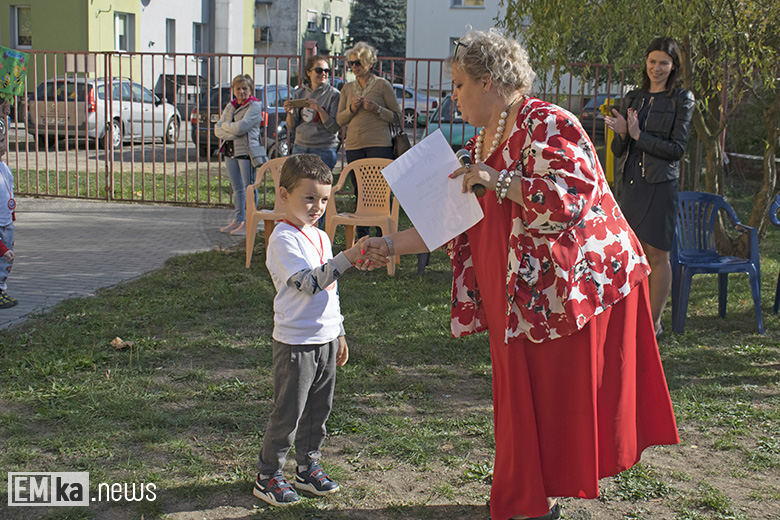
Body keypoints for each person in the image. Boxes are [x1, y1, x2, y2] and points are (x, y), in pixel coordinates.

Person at [359, 29, 680, 520]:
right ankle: (527, 497)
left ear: (489, 82)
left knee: (547, 402)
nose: (454, 96)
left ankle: (526, 501)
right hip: (512, 293)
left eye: (460, 85)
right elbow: (450, 218)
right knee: (520, 403)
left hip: (561, 293)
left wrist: (500, 180)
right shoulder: (480, 139)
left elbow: (571, 199)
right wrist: (389, 245)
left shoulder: (550, 122)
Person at [253, 154, 369, 507]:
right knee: (289, 412)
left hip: (325, 340)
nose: (317, 206)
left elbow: (331, 292)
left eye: (323, 199)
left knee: (318, 410)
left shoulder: (319, 236)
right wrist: (348, 258)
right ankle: (268, 474)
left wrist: (339, 331)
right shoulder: (282, 240)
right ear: (284, 195)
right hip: (296, 343)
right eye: (309, 198)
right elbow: (308, 283)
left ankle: (307, 467)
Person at [605, 37, 695, 339]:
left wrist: (639, 136)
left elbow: (677, 149)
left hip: (660, 185)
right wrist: (622, 134)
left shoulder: (683, 99)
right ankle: (630, 318)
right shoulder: (634, 98)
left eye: (664, 63)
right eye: (652, 61)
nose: (657, 68)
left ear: (674, 66)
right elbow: (621, 150)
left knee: (658, 255)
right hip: (630, 184)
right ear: (646, 62)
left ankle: (652, 325)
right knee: (631, 252)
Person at [336, 42, 402, 237]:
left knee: (381, 191)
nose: (354, 67)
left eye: (358, 63)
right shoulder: (347, 88)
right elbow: (339, 119)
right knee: (360, 190)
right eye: (351, 64)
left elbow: (397, 116)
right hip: (355, 146)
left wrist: (378, 109)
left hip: (379, 145)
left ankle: (384, 234)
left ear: (369, 63)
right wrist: (351, 109)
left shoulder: (382, 85)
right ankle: (362, 235)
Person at [215, 74, 268, 236]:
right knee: (237, 189)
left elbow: (241, 128)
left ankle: (249, 221)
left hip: (246, 151)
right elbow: (218, 129)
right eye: (238, 88)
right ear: (233, 90)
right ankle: (238, 219)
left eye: (245, 88)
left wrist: (226, 127)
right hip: (230, 150)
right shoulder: (231, 106)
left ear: (250, 89)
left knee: (249, 187)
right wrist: (227, 127)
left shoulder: (254, 106)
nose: (241, 91)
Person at [284, 55, 341, 170]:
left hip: (324, 148)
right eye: (319, 70)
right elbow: (292, 127)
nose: (323, 74)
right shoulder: (298, 94)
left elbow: (333, 127)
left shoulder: (334, 95)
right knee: (300, 186)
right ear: (309, 72)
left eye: (326, 71)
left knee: (319, 187)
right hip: (300, 147)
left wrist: (319, 109)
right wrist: (289, 113)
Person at [0, 101, 17, 309]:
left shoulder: (5, 168)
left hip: (6, 223)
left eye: (3, 141)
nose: (2, 145)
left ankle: (2, 287)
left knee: (6, 261)